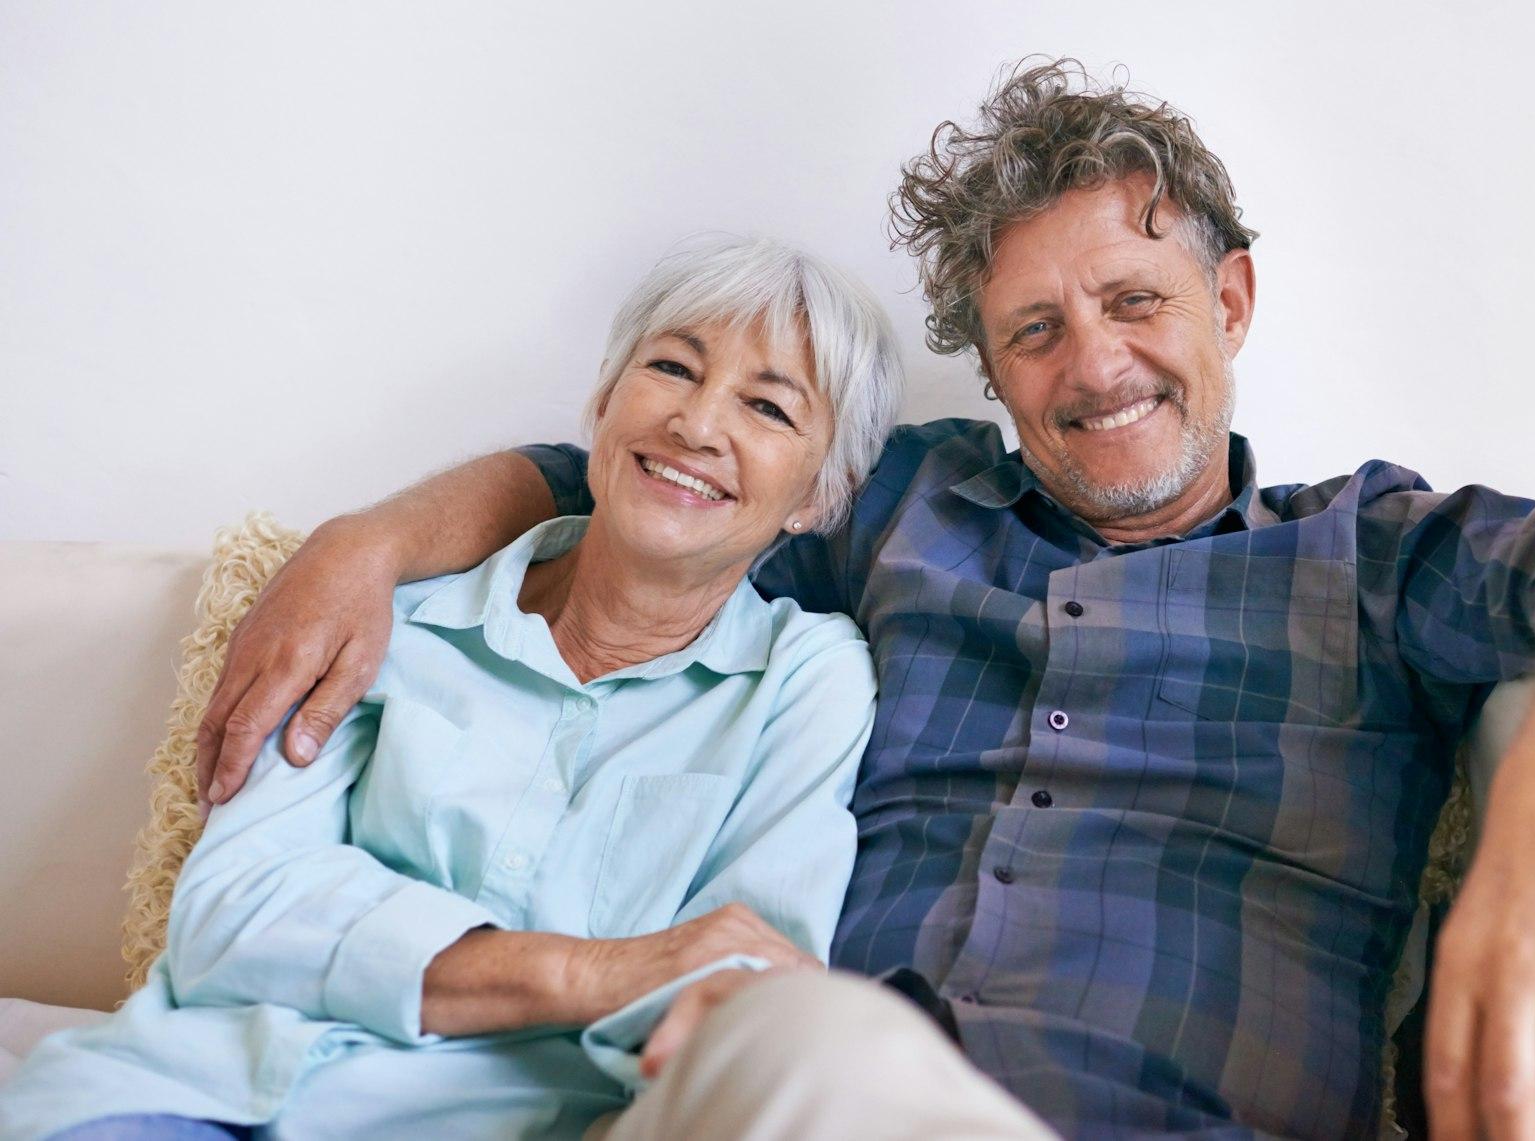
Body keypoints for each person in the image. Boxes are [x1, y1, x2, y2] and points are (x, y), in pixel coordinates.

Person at [186, 62, 1535, 1141]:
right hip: (781, 1092)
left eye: (1136, 301)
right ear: (987, 360)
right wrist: (372, 540)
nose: (1092, 364)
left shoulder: (1366, 554)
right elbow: (623, 482)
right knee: (791, 1052)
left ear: (1228, 300)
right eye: (1033, 328)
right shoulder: (901, 503)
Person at [0, 237, 1052, 1141]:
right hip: (187, 1095)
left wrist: (383, 936)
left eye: (767, 407)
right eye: (672, 368)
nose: (696, 423)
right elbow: (230, 914)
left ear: (817, 498)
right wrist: (587, 971)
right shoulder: (397, 608)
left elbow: (731, 986)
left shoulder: (803, 683)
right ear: (601, 402)